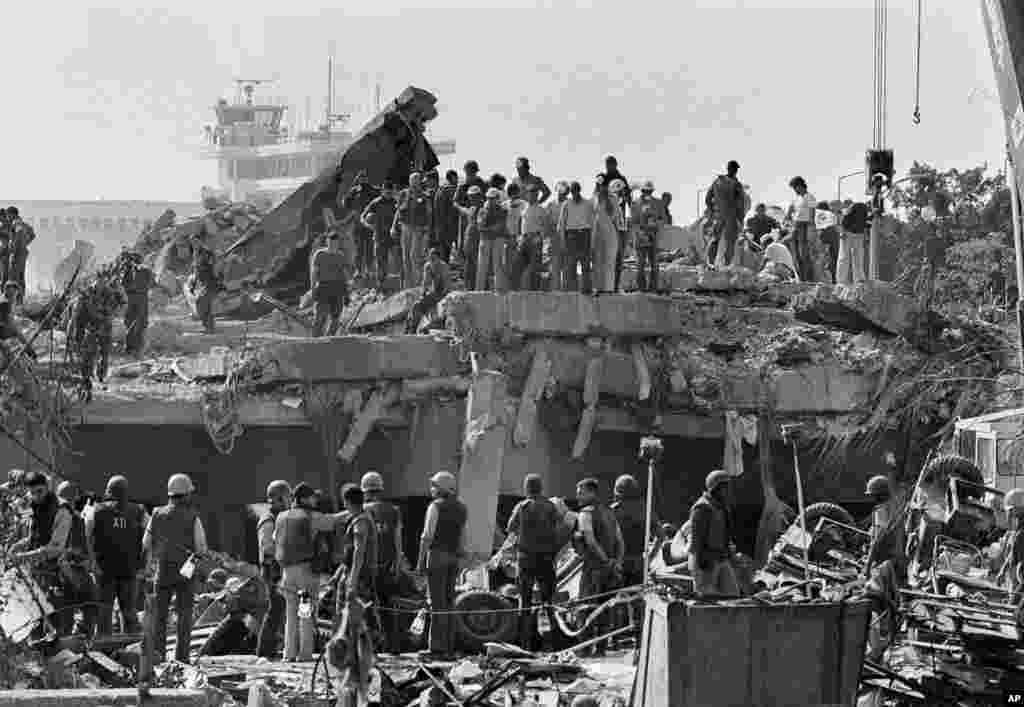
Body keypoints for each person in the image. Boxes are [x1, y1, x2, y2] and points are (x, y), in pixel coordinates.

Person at [274, 482, 347, 662]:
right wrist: (353, 511)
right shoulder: (310, 517)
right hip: (306, 572)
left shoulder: (281, 517)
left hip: (286, 572)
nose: (315, 499)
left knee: (291, 614)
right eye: (313, 496)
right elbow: (332, 521)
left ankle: (288, 653)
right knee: (306, 613)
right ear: (305, 498)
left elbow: (276, 538)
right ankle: (305, 655)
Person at [144, 473, 208, 664]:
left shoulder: (156, 514)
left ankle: (158, 656)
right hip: (185, 575)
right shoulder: (193, 516)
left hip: (162, 573)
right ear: (186, 494)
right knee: (184, 617)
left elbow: (146, 543)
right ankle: (182, 658)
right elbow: (201, 548)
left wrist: (153, 561)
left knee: (159, 618)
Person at [88, 475, 148, 636]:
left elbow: (86, 537)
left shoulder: (96, 510)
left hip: (104, 570)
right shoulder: (139, 511)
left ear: (108, 491)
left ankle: (105, 650)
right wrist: (144, 566)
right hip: (129, 570)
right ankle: (132, 647)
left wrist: (93, 563)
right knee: (129, 611)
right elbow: (148, 540)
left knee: (104, 612)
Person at [417, 470, 467, 660]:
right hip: (454, 558)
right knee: (448, 602)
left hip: (437, 556)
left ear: (440, 489)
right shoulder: (462, 508)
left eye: (434, 486)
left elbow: (427, 536)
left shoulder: (435, 507)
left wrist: (420, 562)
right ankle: (449, 647)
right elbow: (462, 537)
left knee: (436, 603)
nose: (432, 489)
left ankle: (436, 649)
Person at [506, 474, 559, 650]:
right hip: (546, 559)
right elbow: (558, 524)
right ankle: (548, 644)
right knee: (547, 602)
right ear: (541, 488)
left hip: (526, 560)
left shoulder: (521, 507)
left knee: (525, 602)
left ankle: (525, 644)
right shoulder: (551, 506)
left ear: (526, 488)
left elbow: (510, 528)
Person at [573, 477, 624, 656]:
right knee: (606, 609)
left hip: (594, 568)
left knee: (586, 608)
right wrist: (615, 563)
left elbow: (591, 541)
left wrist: (605, 561)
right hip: (610, 570)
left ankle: (584, 650)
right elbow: (619, 540)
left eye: (580, 493)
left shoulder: (586, 513)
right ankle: (600, 649)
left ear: (591, 492)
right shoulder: (610, 513)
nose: (577, 497)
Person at [361, 471, 405, 652]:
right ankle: (392, 647)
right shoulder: (394, 511)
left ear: (365, 491)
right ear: (380, 489)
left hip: (367, 568)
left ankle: (370, 649)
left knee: (365, 609)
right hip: (387, 567)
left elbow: (359, 542)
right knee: (387, 608)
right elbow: (397, 539)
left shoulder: (362, 511)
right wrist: (397, 563)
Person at [689, 470, 739, 597]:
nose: (728, 491)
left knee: (733, 595)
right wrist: (699, 563)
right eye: (724, 487)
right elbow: (696, 541)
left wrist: (731, 555)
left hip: (722, 558)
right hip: (705, 561)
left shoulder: (723, 507)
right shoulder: (702, 508)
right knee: (708, 599)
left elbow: (725, 536)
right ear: (715, 488)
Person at [256, 480, 290, 659]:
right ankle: (264, 650)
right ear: (278, 498)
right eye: (286, 497)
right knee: (275, 609)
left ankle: (271, 647)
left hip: (278, 570)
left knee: (279, 609)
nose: (289, 501)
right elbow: (267, 547)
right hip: (272, 572)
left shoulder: (279, 517)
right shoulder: (268, 520)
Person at [334, 483, 378, 615]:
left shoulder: (361, 522)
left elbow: (359, 553)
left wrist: (352, 581)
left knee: (350, 616)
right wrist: (338, 573)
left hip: (359, 577)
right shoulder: (362, 517)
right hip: (357, 574)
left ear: (347, 501)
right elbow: (351, 552)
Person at [391, 172, 433, 290]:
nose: (415, 183)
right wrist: (393, 227)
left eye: (417, 180)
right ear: (409, 181)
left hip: (418, 229)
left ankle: (417, 285)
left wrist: (428, 231)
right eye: (412, 180)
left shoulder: (425, 196)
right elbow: (398, 212)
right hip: (405, 228)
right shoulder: (403, 194)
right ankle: (407, 286)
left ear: (420, 182)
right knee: (406, 258)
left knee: (414, 256)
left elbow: (429, 214)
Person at [863, 475, 905, 578]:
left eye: (874, 495)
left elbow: (877, 540)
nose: (872, 499)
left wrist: (868, 566)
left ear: (880, 495)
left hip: (885, 564)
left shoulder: (882, 511)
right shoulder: (897, 506)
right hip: (898, 560)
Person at [558, 181, 596, 293]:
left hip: (584, 235)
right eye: (572, 192)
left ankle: (586, 291)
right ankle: (572, 291)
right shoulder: (566, 204)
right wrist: (563, 241)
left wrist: (592, 242)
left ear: (579, 191)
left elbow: (593, 223)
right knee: (571, 265)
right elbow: (561, 224)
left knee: (585, 264)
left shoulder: (587, 203)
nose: (574, 194)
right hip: (571, 236)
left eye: (576, 191)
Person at [705, 161, 745, 268]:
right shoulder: (736, 184)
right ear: (736, 170)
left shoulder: (717, 181)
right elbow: (741, 203)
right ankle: (727, 266)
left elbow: (708, 198)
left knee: (714, 239)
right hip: (731, 216)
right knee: (730, 242)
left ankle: (710, 263)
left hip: (718, 215)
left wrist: (713, 211)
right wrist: (741, 219)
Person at [310, 231, 349, 338]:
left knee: (335, 319)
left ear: (338, 243)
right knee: (320, 318)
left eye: (335, 242)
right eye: (331, 242)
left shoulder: (341, 256)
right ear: (327, 242)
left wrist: (347, 293)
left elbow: (344, 276)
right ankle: (315, 342)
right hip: (323, 288)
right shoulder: (320, 254)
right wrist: (313, 289)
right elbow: (314, 273)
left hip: (337, 289)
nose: (333, 245)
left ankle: (329, 340)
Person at [360, 181, 399, 291]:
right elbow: (362, 217)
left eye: (390, 192)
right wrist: (369, 226)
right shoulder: (376, 203)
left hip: (393, 237)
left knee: (397, 261)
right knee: (381, 262)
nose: (388, 194)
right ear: (383, 191)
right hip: (379, 237)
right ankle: (381, 287)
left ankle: (399, 285)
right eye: (387, 192)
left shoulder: (395, 202)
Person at [342, 171, 380, 279]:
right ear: (358, 179)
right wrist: (351, 192)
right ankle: (358, 270)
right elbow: (345, 203)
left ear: (368, 178)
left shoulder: (374, 190)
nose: (363, 179)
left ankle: (369, 269)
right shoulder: (354, 191)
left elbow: (379, 201)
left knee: (369, 247)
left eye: (364, 177)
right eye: (360, 178)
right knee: (358, 249)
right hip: (357, 224)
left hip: (369, 223)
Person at [630, 181, 667, 292]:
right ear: (642, 191)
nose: (647, 193)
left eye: (649, 191)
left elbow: (663, 219)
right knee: (640, 266)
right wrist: (641, 233)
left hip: (654, 238)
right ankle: (641, 289)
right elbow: (634, 222)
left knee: (655, 266)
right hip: (640, 239)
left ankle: (653, 288)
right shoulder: (635, 204)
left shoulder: (658, 203)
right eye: (645, 191)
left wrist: (655, 225)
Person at [515, 184, 553, 291]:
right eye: (530, 193)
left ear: (537, 195)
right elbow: (520, 222)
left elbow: (546, 226)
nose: (532, 195)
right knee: (519, 265)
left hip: (535, 239)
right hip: (524, 239)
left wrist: (541, 238)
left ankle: (534, 290)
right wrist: (519, 237)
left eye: (534, 193)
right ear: (527, 194)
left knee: (534, 266)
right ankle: (520, 289)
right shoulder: (523, 207)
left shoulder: (541, 209)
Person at [592, 178, 625, 295]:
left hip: (610, 231)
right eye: (597, 184)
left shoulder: (612, 199)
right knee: (597, 261)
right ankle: (597, 287)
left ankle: (608, 288)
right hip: (597, 232)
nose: (599, 187)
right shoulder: (593, 199)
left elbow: (616, 218)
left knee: (609, 260)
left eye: (601, 185)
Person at [406, 248, 449, 334]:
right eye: (430, 258)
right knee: (416, 306)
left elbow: (446, 286)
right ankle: (411, 329)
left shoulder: (444, 267)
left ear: (438, 259)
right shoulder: (428, 266)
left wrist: (439, 298)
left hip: (443, 294)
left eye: (434, 258)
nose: (432, 260)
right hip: (433, 294)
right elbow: (425, 283)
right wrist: (423, 295)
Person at [476, 188, 509, 292]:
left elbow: (500, 226)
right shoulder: (482, 211)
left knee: (498, 265)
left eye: (493, 198)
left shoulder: (503, 211)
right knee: (482, 266)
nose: (490, 200)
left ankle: (498, 289)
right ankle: (479, 290)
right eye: (489, 198)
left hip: (498, 239)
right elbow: (480, 227)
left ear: (497, 198)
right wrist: (492, 229)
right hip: (485, 239)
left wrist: (489, 229)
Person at [454, 160, 489, 259]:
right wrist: (463, 209)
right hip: (465, 218)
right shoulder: (462, 186)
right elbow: (455, 202)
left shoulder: (481, 184)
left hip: (480, 217)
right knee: (464, 245)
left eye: (473, 172)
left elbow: (487, 199)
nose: (471, 174)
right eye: (469, 172)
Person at [120, 251, 152, 356]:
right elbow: (151, 283)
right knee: (136, 323)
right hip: (139, 298)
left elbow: (123, 284)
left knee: (134, 323)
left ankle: (133, 348)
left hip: (135, 298)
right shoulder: (142, 270)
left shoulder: (129, 270)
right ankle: (134, 348)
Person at [786, 176, 818, 282]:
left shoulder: (809, 197)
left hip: (805, 226)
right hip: (796, 226)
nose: (794, 190)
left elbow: (812, 215)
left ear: (800, 186)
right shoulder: (797, 199)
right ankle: (801, 278)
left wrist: (812, 229)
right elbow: (792, 211)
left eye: (795, 187)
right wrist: (788, 215)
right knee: (796, 255)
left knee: (804, 254)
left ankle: (809, 279)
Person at [454, 186, 485, 289]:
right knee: (468, 266)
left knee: (478, 266)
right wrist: (456, 205)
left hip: (478, 242)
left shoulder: (484, 209)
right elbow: (463, 211)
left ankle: (478, 287)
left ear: (479, 196)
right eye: (470, 196)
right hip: (469, 242)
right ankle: (468, 287)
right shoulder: (472, 209)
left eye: (474, 196)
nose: (471, 198)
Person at [188, 232, 218, 333]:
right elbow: (196, 269)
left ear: (200, 241)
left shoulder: (206, 252)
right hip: (200, 282)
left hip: (208, 281)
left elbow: (214, 265)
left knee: (202, 302)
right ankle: (208, 328)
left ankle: (209, 327)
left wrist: (214, 278)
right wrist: (193, 284)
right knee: (204, 304)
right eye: (192, 242)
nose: (194, 243)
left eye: (195, 241)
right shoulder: (195, 253)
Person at [998, 489, 1024, 598]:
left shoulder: (1021, 535)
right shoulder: (1017, 531)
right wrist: (1002, 571)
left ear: (1018, 509)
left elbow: (1021, 565)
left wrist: (1016, 596)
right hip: (1014, 581)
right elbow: (1012, 553)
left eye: (1011, 510)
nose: (1009, 514)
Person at [837, 202, 869, 286]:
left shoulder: (866, 213)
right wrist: (842, 232)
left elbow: (866, 225)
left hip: (858, 234)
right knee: (844, 257)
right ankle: (841, 281)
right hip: (848, 233)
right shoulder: (854, 208)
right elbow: (844, 220)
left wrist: (865, 236)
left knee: (858, 257)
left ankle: (859, 280)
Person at [6, 207, 34, 303]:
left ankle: (16, 301)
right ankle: (20, 300)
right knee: (21, 277)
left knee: (14, 278)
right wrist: (24, 243)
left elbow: (19, 231)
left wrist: (14, 247)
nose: (7, 217)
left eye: (8, 215)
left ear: (12, 214)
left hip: (17, 254)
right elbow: (32, 234)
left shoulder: (16, 223)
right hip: (22, 253)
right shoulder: (23, 223)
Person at [546, 182, 570, 291]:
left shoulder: (570, 204)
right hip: (555, 240)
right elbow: (547, 223)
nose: (560, 194)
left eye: (563, 191)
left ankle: (565, 293)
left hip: (567, 240)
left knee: (566, 269)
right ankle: (555, 293)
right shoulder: (551, 205)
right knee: (554, 269)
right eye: (559, 190)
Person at [433, 170, 460, 264]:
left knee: (443, 254)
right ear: (453, 178)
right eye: (456, 178)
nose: (457, 180)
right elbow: (455, 208)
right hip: (451, 226)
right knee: (454, 252)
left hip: (440, 226)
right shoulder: (452, 190)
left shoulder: (440, 190)